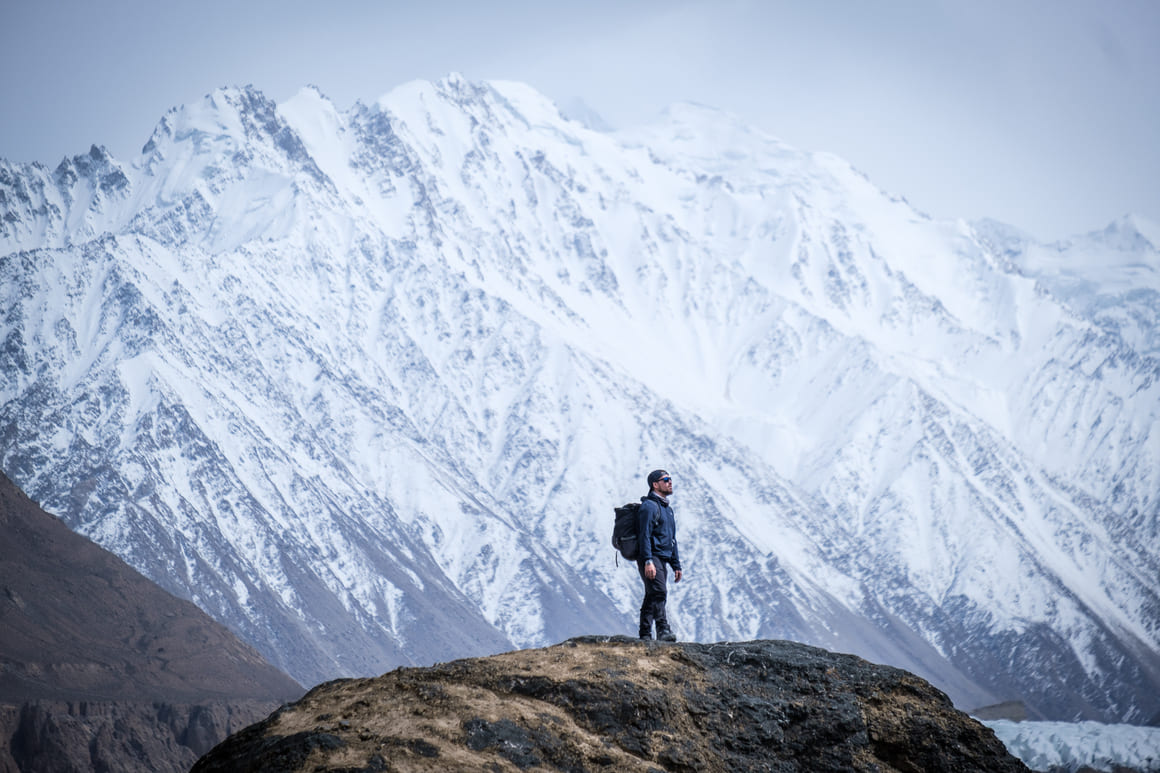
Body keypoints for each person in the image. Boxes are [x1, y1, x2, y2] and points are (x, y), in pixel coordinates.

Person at [636, 469, 683, 641]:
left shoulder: (667, 509)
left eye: (670, 479)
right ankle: (663, 629)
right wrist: (648, 561)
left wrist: (676, 565)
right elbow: (644, 535)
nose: (670, 482)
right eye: (665, 479)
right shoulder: (649, 507)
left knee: (652, 595)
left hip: (662, 557)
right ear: (655, 485)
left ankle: (645, 634)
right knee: (660, 592)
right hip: (651, 556)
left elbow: (671, 539)